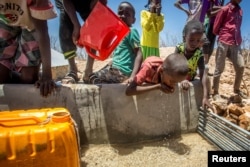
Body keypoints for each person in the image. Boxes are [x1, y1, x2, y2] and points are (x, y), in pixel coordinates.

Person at [0, 0, 57, 97]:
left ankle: (28, 73)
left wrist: (47, 74)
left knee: (29, 79)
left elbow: (41, 32)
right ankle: (13, 73)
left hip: (31, 24)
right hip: (5, 21)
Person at [88, 1, 143, 84]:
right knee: (91, 76)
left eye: (127, 14)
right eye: (120, 13)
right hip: (115, 69)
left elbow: (139, 53)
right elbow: (117, 57)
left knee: (93, 78)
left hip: (122, 72)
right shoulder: (118, 35)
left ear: (133, 20)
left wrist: (133, 76)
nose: (123, 16)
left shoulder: (131, 31)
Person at [54, 0, 107, 84]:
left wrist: (97, 9)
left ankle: (88, 71)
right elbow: (66, 1)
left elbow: (102, 4)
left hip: (86, 3)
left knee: (95, 23)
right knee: (65, 18)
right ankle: (73, 70)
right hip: (66, 2)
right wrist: (76, 25)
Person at [212, 0, 246, 100]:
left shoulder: (240, 11)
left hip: (236, 43)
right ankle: (215, 92)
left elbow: (238, 27)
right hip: (224, 41)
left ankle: (236, 89)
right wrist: (224, 34)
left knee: (241, 66)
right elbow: (215, 28)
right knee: (219, 67)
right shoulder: (224, 9)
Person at [174, 20, 213, 110]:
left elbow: (203, 75)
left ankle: (209, 95)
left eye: (198, 40)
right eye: (191, 40)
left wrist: (205, 97)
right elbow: (173, 66)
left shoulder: (199, 54)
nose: (195, 43)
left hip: (190, 78)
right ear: (184, 38)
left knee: (207, 77)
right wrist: (182, 79)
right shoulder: (179, 49)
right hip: (177, 76)